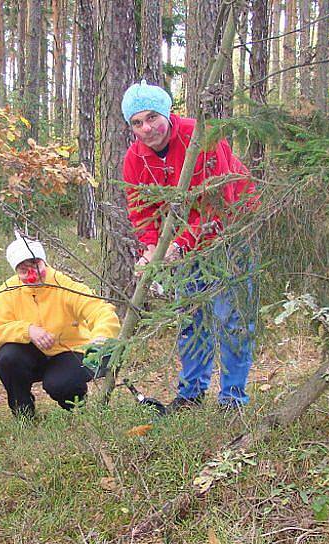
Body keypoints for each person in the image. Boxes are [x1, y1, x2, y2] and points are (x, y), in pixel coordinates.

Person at [121, 80, 258, 413]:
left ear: (167, 112)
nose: (146, 128)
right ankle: (191, 395)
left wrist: (178, 245)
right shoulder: (135, 158)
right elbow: (141, 211)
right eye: (137, 123)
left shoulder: (202, 138)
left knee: (232, 318)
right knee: (191, 317)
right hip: (185, 241)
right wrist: (150, 249)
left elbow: (219, 202)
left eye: (152, 117)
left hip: (230, 232)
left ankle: (232, 398)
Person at [0, 234, 120, 418]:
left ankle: (79, 412)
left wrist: (101, 337)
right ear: (15, 271)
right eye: (24, 270)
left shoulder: (63, 284)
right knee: (8, 358)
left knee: (60, 384)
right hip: (32, 354)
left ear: (44, 262)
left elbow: (100, 309)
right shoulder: (8, 290)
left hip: (70, 350)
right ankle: (23, 414)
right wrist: (27, 330)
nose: (32, 274)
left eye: (36, 266)